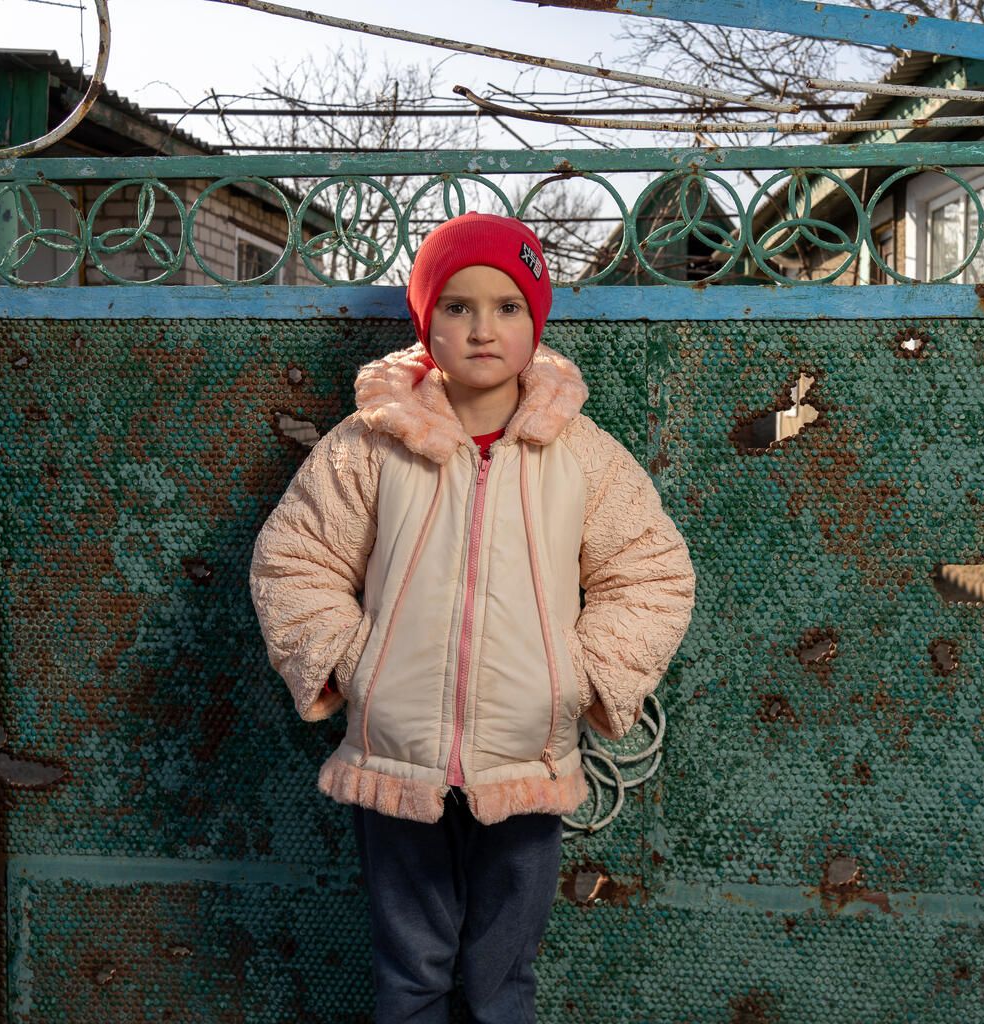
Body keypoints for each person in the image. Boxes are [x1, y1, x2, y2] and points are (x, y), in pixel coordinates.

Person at [248, 211, 695, 1023]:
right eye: (457, 306)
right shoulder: (369, 447)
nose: (483, 328)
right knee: (410, 978)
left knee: (501, 982)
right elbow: (295, 560)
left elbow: (651, 573)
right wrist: (357, 666)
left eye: (507, 306)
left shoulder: (583, 455)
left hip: (528, 764)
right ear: (427, 321)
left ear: (536, 322)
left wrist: (579, 677)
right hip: (396, 766)